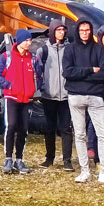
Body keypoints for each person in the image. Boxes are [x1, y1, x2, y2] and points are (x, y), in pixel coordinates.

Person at [63, 20, 104, 185]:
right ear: (77, 31)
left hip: (95, 96)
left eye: (87, 30)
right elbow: (67, 72)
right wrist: (89, 70)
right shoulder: (70, 49)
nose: (85, 33)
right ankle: (85, 171)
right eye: (82, 30)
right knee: (80, 135)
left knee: (102, 134)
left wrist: (80, 77)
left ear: (91, 31)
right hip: (75, 97)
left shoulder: (99, 49)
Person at [0, 29, 42, 174]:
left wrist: (35, 88)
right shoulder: (6, 57)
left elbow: (39, 75)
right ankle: (8, 158)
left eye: (30, 40)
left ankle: (19, 159)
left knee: (23, 129)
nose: (29, 43)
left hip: (27, 99)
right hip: (12, 98)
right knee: (11, 126)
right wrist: (9, 85)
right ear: (19, 41)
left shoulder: (33, 59)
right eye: (26, 40)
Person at [37, 21, 75, 170]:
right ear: (52, 31)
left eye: (63, 30)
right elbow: (37, 72)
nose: (61, 32)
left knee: (66, 129)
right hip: (49, 95)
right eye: (58, 30)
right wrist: (40, 89)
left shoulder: (70, 49)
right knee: (49, 128)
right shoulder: (43, 50)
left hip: (66, 96)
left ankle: (67, 161)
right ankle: (49, 158)